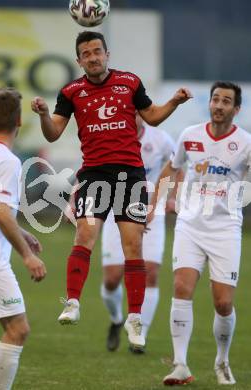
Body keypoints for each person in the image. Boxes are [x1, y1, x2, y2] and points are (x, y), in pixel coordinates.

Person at [31, 30, 191, 351]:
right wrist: (46, 115)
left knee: (133, 248)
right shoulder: (71, 91)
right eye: (86, 53)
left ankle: (134, 320)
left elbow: (153, 117)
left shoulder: (130, 82)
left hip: (131, 178)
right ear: (79, 60)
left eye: (97, 51)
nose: (92, 57)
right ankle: (73, 302)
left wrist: (173, 101)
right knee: (84, 238)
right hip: (93, 177)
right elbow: (52, 134)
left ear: (107, 54)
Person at [154, 81, 251, 386]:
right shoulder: (189, 135)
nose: (219, 106)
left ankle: (222, 361)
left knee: (223, 304)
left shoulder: (246, 143)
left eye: (226, 102)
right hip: (190, 225)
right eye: (215, 100)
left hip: (225, 228)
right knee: (182, 287)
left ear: (236, 109)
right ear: (209, 103)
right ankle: (180, 364)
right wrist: (156, 203)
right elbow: (173, 169)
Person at [0, 88, 47, 390]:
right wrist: (27, 255)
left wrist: (23, 231)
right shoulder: (8, 160)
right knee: (17, 329)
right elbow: (2, 213)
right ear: (19, 119)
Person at [101, 113, 183, 353]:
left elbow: (177, 169)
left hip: (151, 212)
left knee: (151, 273)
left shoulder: (162, 140)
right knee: (112, 279)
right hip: (117, 212)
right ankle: (117, 319)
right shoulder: (109, 138)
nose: (132, 116)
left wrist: (172, 197)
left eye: (136, 111)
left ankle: (139, 334)